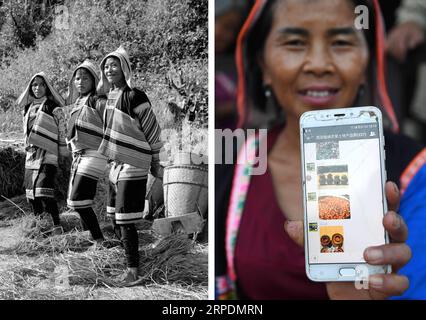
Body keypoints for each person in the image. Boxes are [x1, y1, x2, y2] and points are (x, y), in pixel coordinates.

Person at [215, 0, 426, 300]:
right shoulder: (236, 162)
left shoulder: (415, 171)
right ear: (262, 65)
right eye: (295, 43)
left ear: (368, 61)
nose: (318, 64)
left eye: (341, 42)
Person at [97, 46, 164, 285]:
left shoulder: (135, 96)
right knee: (115, 217)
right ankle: (128, 260)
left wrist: (156, 160)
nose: (109, 69)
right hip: (115, 164)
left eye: (114, 65)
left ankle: (133, 271)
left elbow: (152, 129)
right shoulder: (107, 99)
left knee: (125, 219)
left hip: (134, 162)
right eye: (106, 66)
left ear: (124, 68)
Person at [17, 72, 68, 235]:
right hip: (31, 155)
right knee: (32, 195)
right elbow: (25, 133)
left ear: (47, 87)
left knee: (43, 190)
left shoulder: (54, 108)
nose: (37, 87)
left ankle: (56, 225)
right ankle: (40, 228)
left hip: (48, 153)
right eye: (34, 85)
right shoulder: (27, 108)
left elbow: (62, 131)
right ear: (30, 88)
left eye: (41, 84)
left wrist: (63, 154)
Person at [65, 60, 107, 243]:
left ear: (94, 80)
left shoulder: (98, 100)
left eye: (85, 78)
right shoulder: (78, 102)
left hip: (94, 153)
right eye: (77, 78)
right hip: (79, 156)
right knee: (81, 201)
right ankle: (90, 238)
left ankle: (99, 240)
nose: (80, 82)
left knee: (78, 200)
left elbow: (113, 123)